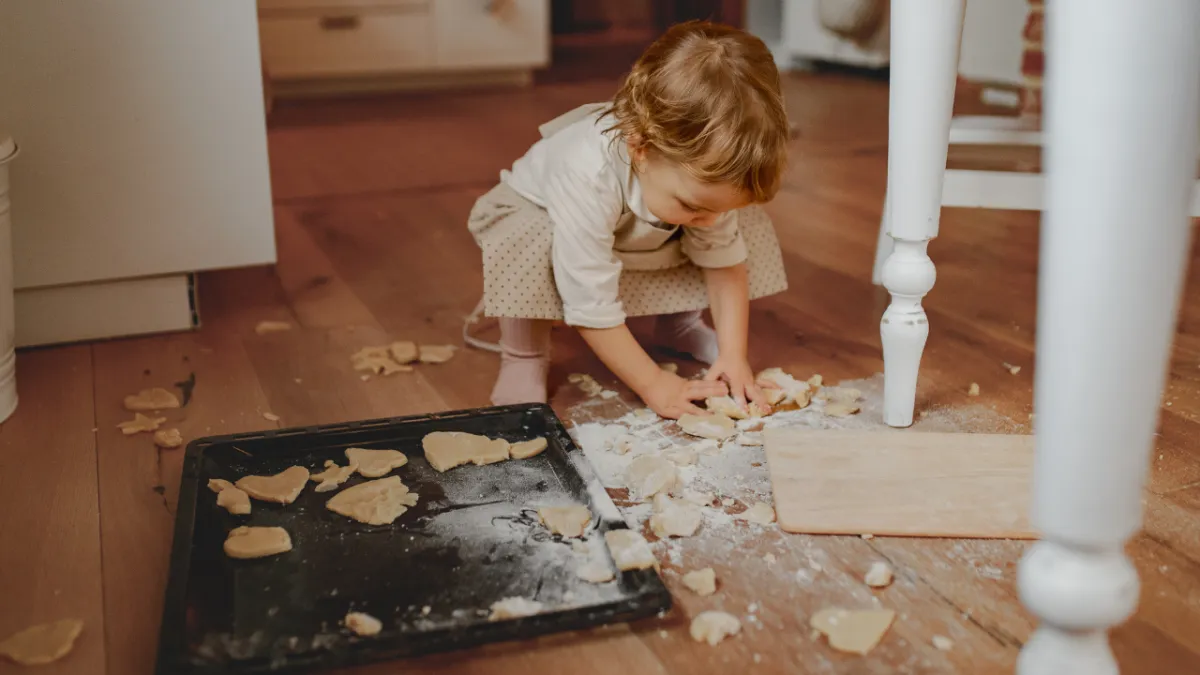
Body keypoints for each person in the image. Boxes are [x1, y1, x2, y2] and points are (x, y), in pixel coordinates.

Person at [466, 20, 790, 420]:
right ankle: (523, 353)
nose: (712, 220)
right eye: (696, 204)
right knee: (531, 238)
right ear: (640, 148)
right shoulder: (587, 170)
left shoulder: (695, 186)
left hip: (633, 227)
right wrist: (653, 384)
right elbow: (589, 299)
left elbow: (724, 264)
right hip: (538, 216)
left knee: (728, 231)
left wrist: (734, 355)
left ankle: (679, 324)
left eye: (719, 207)